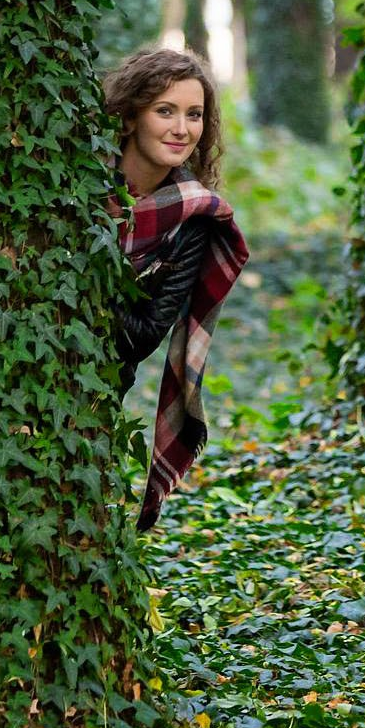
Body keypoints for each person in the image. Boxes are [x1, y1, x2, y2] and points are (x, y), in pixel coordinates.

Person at [104, 48, 250, 531]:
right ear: (129, 117)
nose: (181, 129)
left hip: (97, 390)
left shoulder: (195, 218)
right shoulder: (76, 184)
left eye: (194, 115)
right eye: (164, 111)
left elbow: (143, 336)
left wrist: (84, 282)